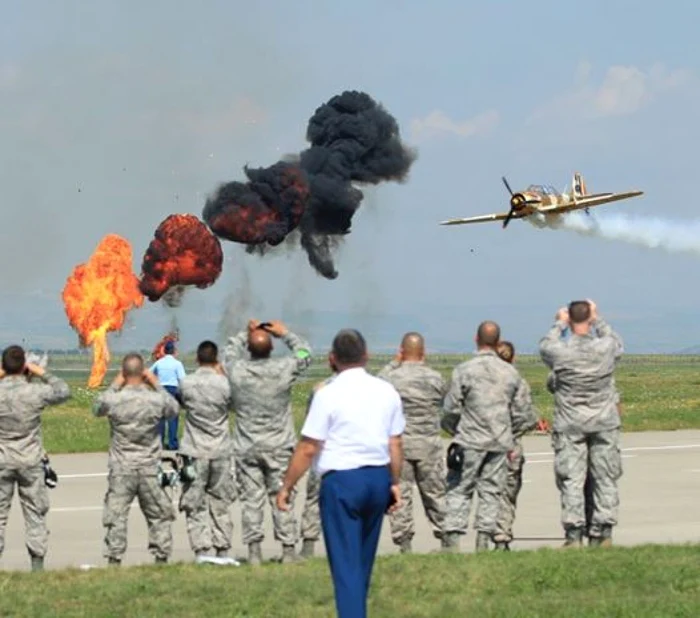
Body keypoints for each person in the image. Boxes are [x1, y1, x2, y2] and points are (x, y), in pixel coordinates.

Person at [276, 329, 405, 618]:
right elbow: (395, 442)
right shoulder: (386, 391)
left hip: (342, 481)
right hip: (376, 478)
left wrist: (287, 486)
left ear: (332, 359)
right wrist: (394, 482)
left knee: (345, 566)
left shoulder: (327, 394)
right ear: (366, 356)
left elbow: (309, 447)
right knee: (362, 562)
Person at [441, 321, 537, 552]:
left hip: (470, 440)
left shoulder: (464, 370)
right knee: (491, 492)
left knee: (459, 490)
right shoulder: (511, 373)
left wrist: (456, 430)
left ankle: (452, 542)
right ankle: (483, 541)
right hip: (499, 443)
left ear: (477, 339)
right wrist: (508, 431)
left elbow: (450, 409)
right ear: (497, 341)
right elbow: (526, 414)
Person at [223, 319, 312, 565]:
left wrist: (245, 333)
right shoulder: (284, 368)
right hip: (278, 445)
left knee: (251, 500)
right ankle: (288, 550)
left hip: (247, 446)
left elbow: (228, 354)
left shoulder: (238, 371)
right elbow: (305, 353)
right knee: (282, 496)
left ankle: (254, 551)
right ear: (271, 348)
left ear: (249, 350)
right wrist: (286, 333)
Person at [540, 301, 624, 548]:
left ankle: (574, 533)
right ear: (589, 318)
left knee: (572, 479)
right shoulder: (604, 347)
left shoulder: (561, 351)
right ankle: (603, 531)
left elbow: (544, 346)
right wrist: (597, 319)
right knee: (605, 477)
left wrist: (559, 323)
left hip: (571, 422)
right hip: (603, 421)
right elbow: (616, 343)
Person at [93, 353, 180, 565]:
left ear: (124, 373)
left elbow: (97, 407)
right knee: (158, 515)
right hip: (149, 466)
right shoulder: (155, 399)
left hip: (122, 467)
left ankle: (114, 558)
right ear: (143, 373)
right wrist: (156, 384)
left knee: (116, 516)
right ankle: (161, 558)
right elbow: (174, 409)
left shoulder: (115, 399)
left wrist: (115, 384)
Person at [0, 346, 70, 571]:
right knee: (35, 514)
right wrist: (41, 372)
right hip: (30, 460)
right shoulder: (35, 392)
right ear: (24, 366)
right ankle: (37, 564)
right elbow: (63, 390)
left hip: (2, 459)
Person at [377, 332, 448, 553]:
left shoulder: (390, 378)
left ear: (401, 351)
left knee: (400, 493)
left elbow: (376, 384)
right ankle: (447, 538)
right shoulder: (435, 378)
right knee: (436, 493)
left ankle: (404, 542)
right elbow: (449, 406)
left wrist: (393, 363)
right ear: (424, 353)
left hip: (400, 444)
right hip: (428, 443)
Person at [178, 341, 236, 561]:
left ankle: (201, 549)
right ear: (216, 359)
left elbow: (182, 404)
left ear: (197, 359)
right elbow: (234, 405)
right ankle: (222, 547)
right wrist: (225, 376)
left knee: (194, 502)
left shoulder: (186, 383)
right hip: (220, 450)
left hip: (194, 451)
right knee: (220, 502)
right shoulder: (225, 385)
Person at [492, 340, 539, 550]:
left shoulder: (480, 378)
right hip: (509, 443)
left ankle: (485, 535)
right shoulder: (517, 382)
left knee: (487, 491)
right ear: (512, 358)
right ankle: (501, 536)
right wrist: (513, 432)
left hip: (482, 442)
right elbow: (527, 417)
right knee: (507, 492)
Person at [298, 377, 335, 559]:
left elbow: (310, 423)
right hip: (351, 457)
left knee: (314, 500)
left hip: (323, 455)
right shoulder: (366, 388)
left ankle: (308, 545)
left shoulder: (320, 389)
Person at [150, 340, 185, 451]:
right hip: (172, 390)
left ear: (164, 351)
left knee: (161, 418)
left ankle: (160, 443)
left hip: (161, 390)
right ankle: (172, 443)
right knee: (173, 418)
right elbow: (182, 379)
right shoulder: (177, 364)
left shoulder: (159, 363)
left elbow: (149, 373)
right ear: (174, 351)